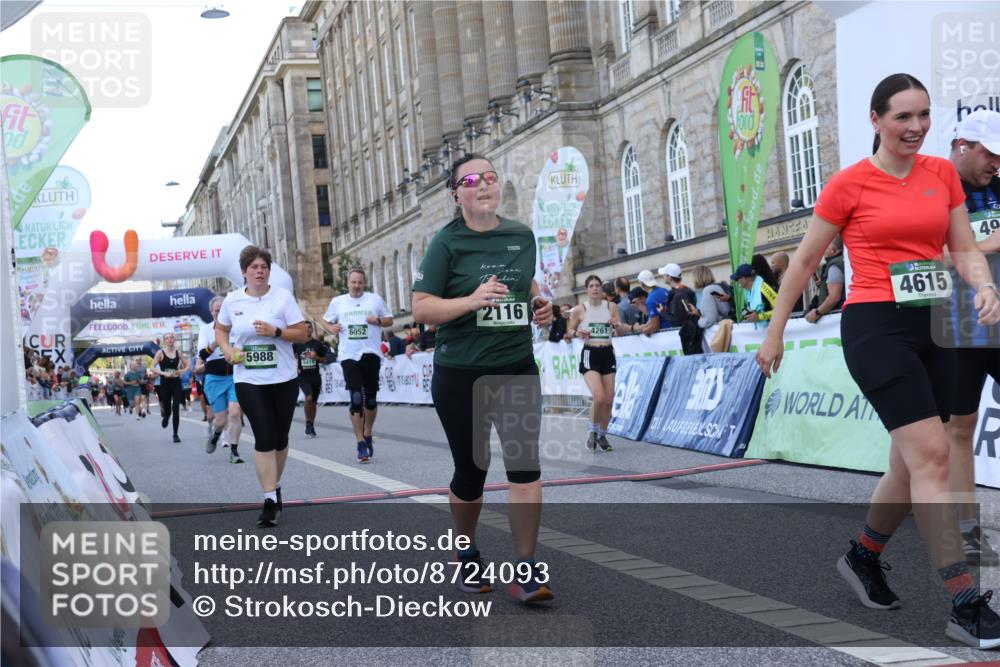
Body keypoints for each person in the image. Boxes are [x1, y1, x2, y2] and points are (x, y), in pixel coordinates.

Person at [756, 73, 1000, 648]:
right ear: (876, 120)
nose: (915, 128)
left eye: (923, 116)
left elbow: (962, 246)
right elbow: (803, 263)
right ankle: (965, 604)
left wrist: (983, 286)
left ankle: (863, 556)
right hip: (876, 327)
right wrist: (775, 332)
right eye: (902, 118)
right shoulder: (849, 185)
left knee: (907, 464)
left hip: (937, 322)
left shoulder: (941, 174)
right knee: (934, 458)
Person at [412, 154, 555, 603]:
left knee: (525, 467)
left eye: (490, 177)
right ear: (457, 193)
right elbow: (422, 308)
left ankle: (526, 568)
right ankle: (466, 547)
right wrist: (471, 301)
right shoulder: (446, 243)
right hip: (461, 374)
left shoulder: (520, 235)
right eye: (472, 180)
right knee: (472, 474)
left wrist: (541, 304)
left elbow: (527, 284)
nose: (484, 185)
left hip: (515, 366)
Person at [216, 246, 309, 527]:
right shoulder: (232, 301)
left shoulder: (282, 298)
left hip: (283, 378)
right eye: (254, 267)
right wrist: (228, 350)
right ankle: (269, 499)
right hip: (249, 379)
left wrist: (276, 332)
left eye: (264, 267)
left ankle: (275, 484)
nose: (259, 271)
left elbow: (303, 333)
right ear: (244, 272)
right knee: (264, 437)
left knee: (280, 439)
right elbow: (221, 330)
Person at [946, 109, 1000, 566]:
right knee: (959, 428)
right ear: (963, 145)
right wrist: (985, 245)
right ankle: (966, 529)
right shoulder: (933, 186)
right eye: (990, 156)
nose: (995, 166)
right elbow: (926, 256)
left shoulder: (997, 186)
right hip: (955, 328)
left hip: (998, 321)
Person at [322, 268, 393, 463]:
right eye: (353, 282)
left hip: (370, 353)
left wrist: (377, 320)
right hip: (348, 355)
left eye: (360, 282)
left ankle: (368, 432)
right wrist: (332, 328)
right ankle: (360, 442)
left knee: (370, 399)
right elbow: (326, 321)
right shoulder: (338, 302)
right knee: (355, 398)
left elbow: (389, 319)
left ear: (364, 283)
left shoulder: (375, 300)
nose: (356, 285)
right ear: (348, 283)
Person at [567, 274, 619, 452]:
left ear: (601, 289)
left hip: (607, 353)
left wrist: (616, 325)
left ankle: (603, 435)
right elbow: (570, 331)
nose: (595, 288)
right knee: (599, 396)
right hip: (590, 354)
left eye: (598, 285)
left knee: (609, 400)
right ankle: (592, 432)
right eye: (591, 286)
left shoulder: (612, 306)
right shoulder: (580, 309)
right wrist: (578, 332)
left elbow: (618, 327)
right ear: (587, 289)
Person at [200, 295, 246, 463]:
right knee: (220, 420)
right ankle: (215, 435)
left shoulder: (237, 328)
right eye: (216, 310)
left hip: (235, 376)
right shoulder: (206, 330)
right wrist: (217, 341)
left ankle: (234, 451)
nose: (219, 313)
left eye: (222, 310)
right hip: (215, 378)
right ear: (211, 312)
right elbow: (202, 355)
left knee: (235, 412)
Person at [293, 321, 328, 438]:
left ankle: (311, 424)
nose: (307, 329)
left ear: (312, 330)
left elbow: (324, 360)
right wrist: (295, 367)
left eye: (309, 327)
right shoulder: (296, 344)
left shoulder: (317, 344)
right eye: (305, 327)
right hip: (302, 375)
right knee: (309, 397)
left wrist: (316, 357)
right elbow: (289, 357)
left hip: (315, 376)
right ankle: (308, 423)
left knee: (313, 403)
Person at [151, 333, 188, 443]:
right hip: (165, 383)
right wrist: (163, 373)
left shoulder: (178, 353)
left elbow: (188, 366)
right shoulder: (160, 353)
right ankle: (166, 417)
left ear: (174, 340)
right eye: (167, 338)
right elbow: (152, 367)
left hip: (176, 383)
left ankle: (175, 434)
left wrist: (180, 371)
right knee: (167, 408)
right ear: (164, 341)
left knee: (176, 408)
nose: (170, 340)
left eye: (171, 338)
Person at [805, 237, 846, 323]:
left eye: (826, 246)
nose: (823, 250)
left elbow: (834, 297)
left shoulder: (834, 266)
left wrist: (817, 312)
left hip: (836, 319)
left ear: (833, 250)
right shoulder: (843, 261)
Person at [688, 264, 733, 330]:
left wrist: (698, 322)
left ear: (697, 278)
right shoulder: (715, 287)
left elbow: (710, 320)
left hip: (723, 330)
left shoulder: (708, 290)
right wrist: (698, 313)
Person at [638, 268, 670, 334]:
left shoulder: (650, 300)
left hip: (666, 333)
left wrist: (645, 331)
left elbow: (655, 326)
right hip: (675, 329)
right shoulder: (665, 290)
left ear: (642, 284)